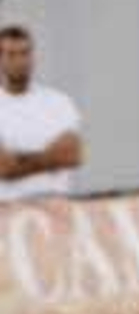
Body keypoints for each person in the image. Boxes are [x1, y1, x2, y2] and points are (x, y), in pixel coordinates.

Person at [0, 25, 84, 202]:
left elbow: (73, 155)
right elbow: (4, 168)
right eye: (12, 54)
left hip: (57, 206)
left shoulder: (58, 102)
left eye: (25, 53)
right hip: (8, 211)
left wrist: (19, 160)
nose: (20, 61)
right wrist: (51, 158)